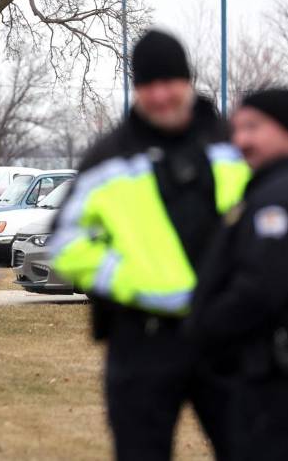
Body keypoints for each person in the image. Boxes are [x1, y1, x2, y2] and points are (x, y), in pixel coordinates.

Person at [49, 30, 250, 461]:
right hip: (142, 342)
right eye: (147, 85)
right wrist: (131, 282)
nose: (159, 96)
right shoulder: (109, 159)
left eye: (169, 83)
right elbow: (64, 242)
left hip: (227, 338)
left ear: (189, 81)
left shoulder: (234, 148)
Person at [189, 88, 288, 461]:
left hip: (286, 380)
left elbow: (260, 289)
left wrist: (203, 328)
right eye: (238, 128)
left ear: (287, 131)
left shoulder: (284, 197)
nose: (240, 139)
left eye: (253, 127)